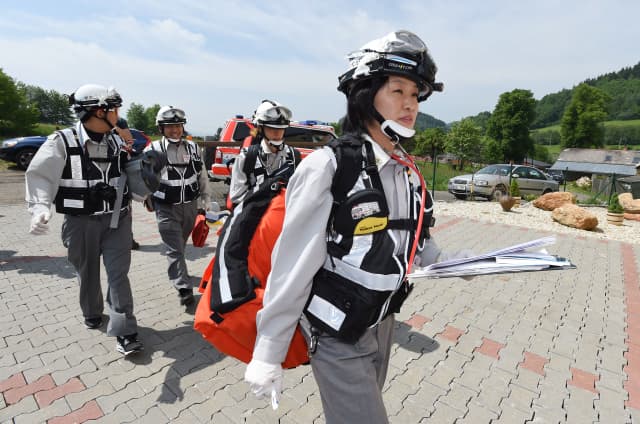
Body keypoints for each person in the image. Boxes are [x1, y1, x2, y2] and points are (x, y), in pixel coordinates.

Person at [244, 30, 463, 422]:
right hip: (336, 332)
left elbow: (413, 239)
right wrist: (268, 351)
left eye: (415, 94)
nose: (410, 104)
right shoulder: (327, 167)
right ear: (365, 95)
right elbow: (292, 266)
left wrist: (453, 264)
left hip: (381, 323)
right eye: (398, 91)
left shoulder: (405, 170)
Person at [25, 83, 143, 355]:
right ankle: (92, 311)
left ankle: (125, 332)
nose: (118, 114)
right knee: (87, 272)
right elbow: (40, 175)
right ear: (98, 111)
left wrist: (143, 189)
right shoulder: (61, 141)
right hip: (80, 223)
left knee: (118, 277)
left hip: (118, 221)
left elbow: (131, 174)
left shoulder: (117, 140)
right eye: (114, 109)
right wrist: (40, 207)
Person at [145, 106, 210, 306]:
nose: (175, 130)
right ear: (161, 128)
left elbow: (202, 175)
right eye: (170, 126)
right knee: (174, 247)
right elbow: (144, 179)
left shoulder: (193, 148)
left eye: (178, 126)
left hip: (189, 206)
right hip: (165, 206)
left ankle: (180, 272)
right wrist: (147, 199)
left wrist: (205, 200)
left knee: (180, 245)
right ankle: (183, 287)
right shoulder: (152, 150)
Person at [228, 100, 300, 206]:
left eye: (281, 129)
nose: (277, 133)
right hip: (254, 219)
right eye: (271, 128)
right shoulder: (246, 158)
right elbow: (236, 197)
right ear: (260, 128)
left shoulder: (294, 158)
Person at [114, 117, 140, 250]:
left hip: (120, 182)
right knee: (124, 212)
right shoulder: (117, 136)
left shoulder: (112, 135)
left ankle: (128, 239)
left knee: (124, 211)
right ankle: (127, 239)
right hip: (120, 182)